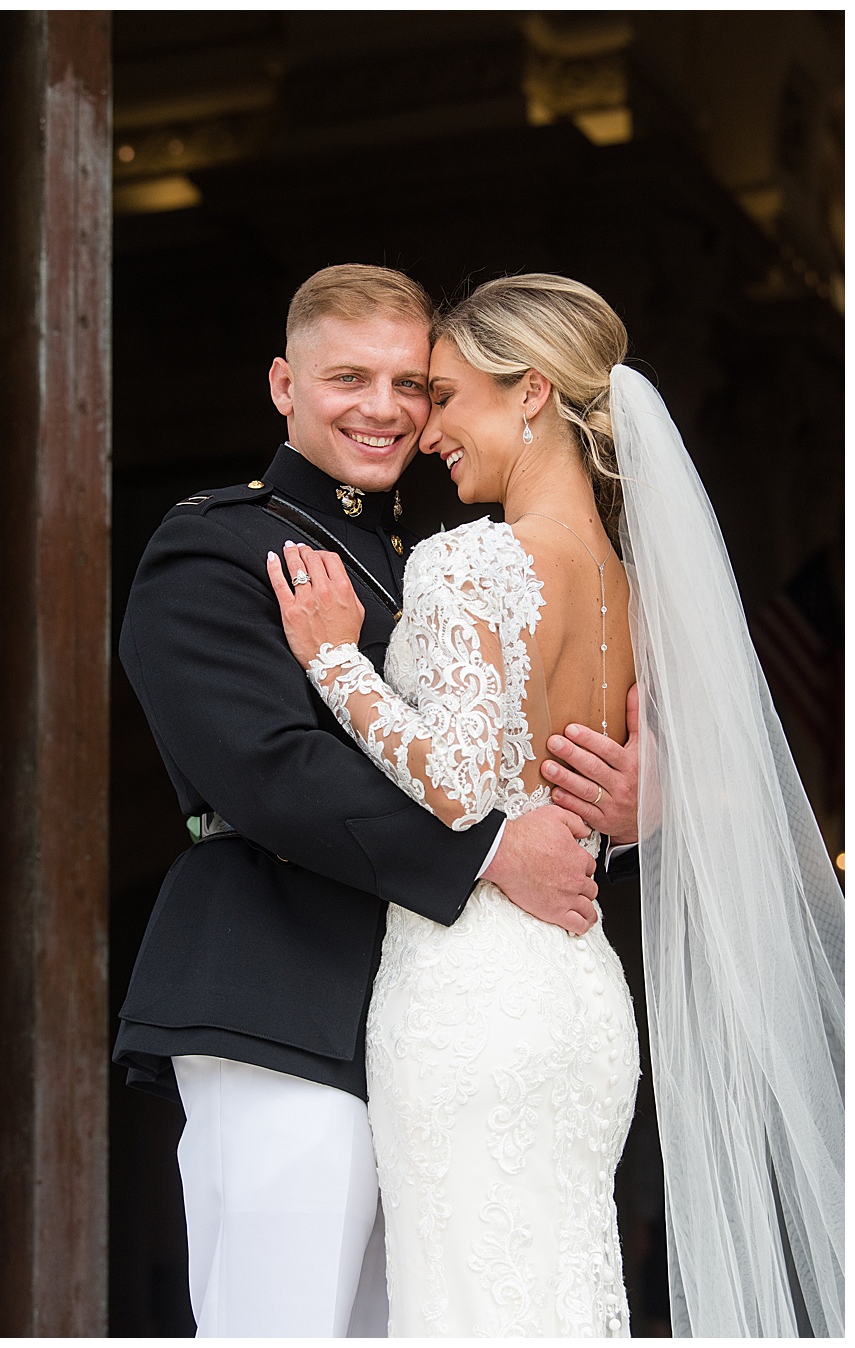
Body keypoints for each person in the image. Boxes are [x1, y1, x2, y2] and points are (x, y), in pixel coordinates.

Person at [269, 274, 842, 1336]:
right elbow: (613, 777)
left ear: (530, 391)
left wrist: (338, 661)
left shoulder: (469, 562)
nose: (425, 429)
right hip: (581, 997)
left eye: (445, 396)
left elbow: (454, 782)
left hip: (470, 998)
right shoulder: (633, 585)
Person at [114, 265, 641, 1337]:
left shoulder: (457, 558)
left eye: (415, 383)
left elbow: (520, 766)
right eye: (350, 377)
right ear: (283, 385)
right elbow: (266, 768)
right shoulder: (215, 547)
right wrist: (489, 853)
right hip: (284, 997)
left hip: (452, 1022)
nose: (388, 408)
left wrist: (624, 810)